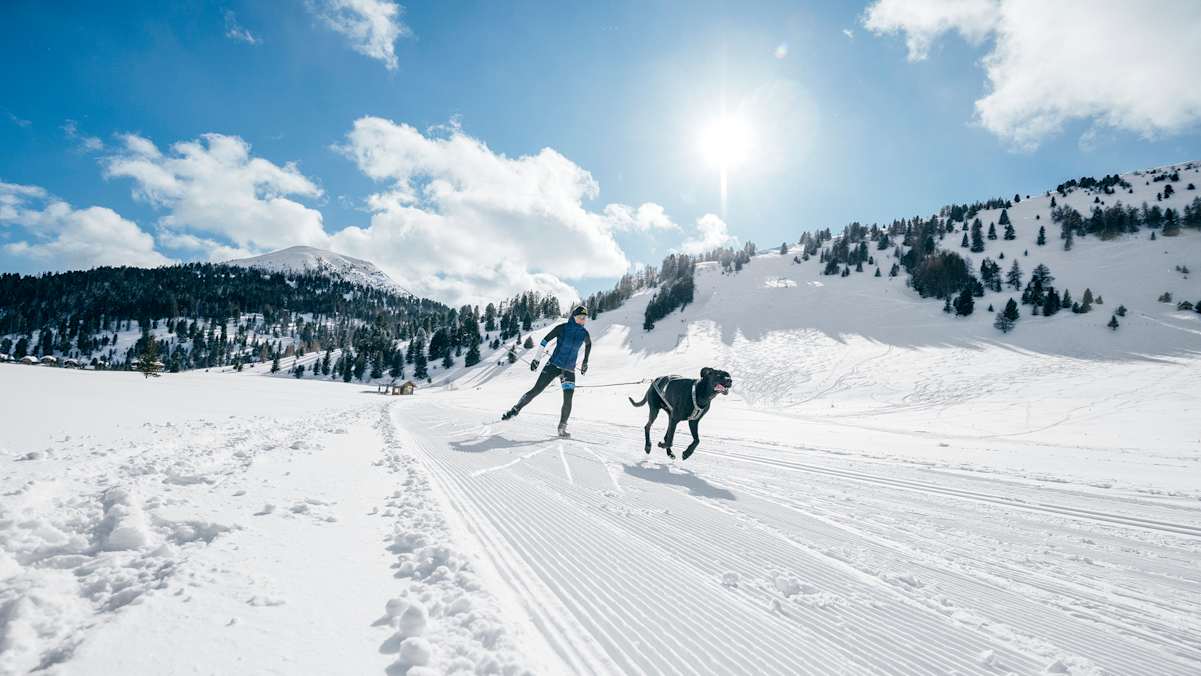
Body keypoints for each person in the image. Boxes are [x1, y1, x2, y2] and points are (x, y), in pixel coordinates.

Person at [501, 304, 591, 437]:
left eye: (585, 318)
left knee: (568, 399)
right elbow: (545, 340)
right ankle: (516, 409)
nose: (583, 320)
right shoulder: (562, 328)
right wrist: (537, 359)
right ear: (574, 317)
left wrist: (585, 362)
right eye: (580, 317)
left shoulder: (584, 333)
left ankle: (562, 427)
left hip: (569, 370)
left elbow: (589, 344)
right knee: (536, 390)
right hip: (553, 365)